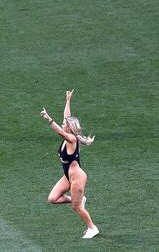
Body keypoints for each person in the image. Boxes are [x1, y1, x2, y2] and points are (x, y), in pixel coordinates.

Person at [40, 89, 99, 239]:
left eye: (64, 124)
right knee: (52, 199)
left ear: (69, 128)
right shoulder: (69, 135)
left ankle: (92, 228)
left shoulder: (72, 139)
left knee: (77, 208)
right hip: (68, 176)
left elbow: (60, 131)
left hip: (77, 178)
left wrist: (48, 119)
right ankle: (78, 199)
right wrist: (68, 100)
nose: (63, 123)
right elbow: (67, 116)